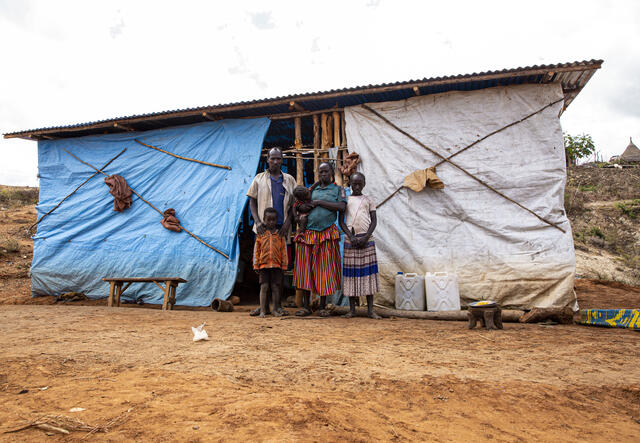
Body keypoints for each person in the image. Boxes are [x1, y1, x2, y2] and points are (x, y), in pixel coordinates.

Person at [246, 148, 296, 316]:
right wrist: (258, 222)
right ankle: (263, 307)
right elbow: (252, 202)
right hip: (262, 231)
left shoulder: (289, 180)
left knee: (279, 271)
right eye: (272, 158)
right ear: (267, 159)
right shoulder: (259, 179)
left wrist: (288, 222)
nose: (275, 162)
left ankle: (277, 307)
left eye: (278, 159)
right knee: (263, 270)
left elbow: (293, 205)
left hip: (282, 231)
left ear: (282, 160)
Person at [293, 162, 346, 317]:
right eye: (320, 172)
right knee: (305, 270)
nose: (323, 175)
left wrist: (319, 203)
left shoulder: (339, 190)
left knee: (324, 270)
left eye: (326, 172)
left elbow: (342, 207)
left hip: (326, 234)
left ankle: (322, 306)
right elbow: (298, 203)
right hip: (308, 234)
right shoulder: (312, 189)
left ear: (331, 172)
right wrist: (299, 213)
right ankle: (305, 306)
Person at [338, 172, 381, 319]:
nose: (356, 186)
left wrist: (366, 237)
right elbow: (341, 222)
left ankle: (370, 310)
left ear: (364, 184)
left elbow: (374, 221)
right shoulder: (346, 200)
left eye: (359, 183)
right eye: (354, 183)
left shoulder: (369, 200)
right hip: (352, 241)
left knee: (368, 274)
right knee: (351, 275)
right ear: (350, 183)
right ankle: (352, 310)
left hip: (366, 240)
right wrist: (350, 236)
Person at [253, 207, 289, 317]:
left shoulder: (280, 235)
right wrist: (256, 264)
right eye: (268, 220)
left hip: (277, 266)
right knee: (264, 287)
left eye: (273, 220)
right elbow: (257, 250)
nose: (271, 222)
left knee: (275, 287)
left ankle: (275, 309)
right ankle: (263, 310)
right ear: (264, 219)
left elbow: (284, 251)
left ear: (277, 220)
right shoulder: (261, 234)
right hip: (264, 265)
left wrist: (284, 265)